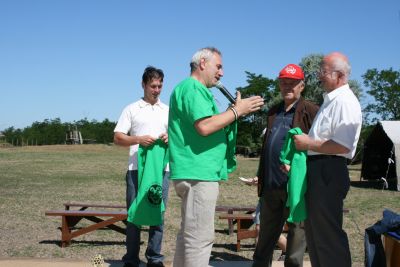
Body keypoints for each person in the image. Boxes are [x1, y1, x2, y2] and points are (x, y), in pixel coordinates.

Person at [168, 47, 264, 267]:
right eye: (218, 66)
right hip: (198, 172)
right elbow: (204, 126)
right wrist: (237, 111)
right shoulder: (194, 88)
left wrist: (232, 111)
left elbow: (207, 122)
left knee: (189, 235)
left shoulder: (189, 88)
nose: (221, 73)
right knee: (199, 239)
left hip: (192, 170)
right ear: (203, 63)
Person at [293, 52, 362, 267]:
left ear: (340, 75)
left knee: (327, 236)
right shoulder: (332, 101)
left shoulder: (345, 102)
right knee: (315, 235)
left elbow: (343, 145)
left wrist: (307, 143)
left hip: (329, 171)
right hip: (321, 170)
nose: (318, 76)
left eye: (323, 71)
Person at [253, 64, 319, 267]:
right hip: (271, 185)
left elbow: (318, 147)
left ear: (302, 86)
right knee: (264, 240)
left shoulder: (311, 110)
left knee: (295, 244)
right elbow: (268, 146)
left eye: (293, 82)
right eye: (284, 82)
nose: (287, 86)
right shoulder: (274, 111)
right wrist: (260, 174)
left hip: (296, 189)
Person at [114, 66, 169, 267]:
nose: (157, 90)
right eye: (153, 86)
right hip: (135, 170)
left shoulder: (168, 111)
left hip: (162, 171)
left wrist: (169, 137)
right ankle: (131, 259)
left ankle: (154, 259)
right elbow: (118, 137)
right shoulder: (131, 109)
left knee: (158, 215)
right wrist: (138, 139)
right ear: (143, 85)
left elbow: (178, 140)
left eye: (160, 86)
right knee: (134, 215)